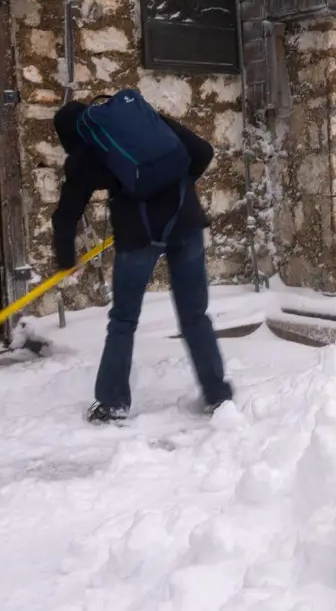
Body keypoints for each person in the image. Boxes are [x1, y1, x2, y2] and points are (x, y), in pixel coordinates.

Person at [51, 99, 233, 423]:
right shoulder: (146, 122)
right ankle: (217, 395)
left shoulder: (83, 156)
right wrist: (176, 185)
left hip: (138, 235)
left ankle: (113, 402)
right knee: (194, 315)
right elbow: (203, 152)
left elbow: (66, 215)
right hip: (185, 219)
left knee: (124, 319)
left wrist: (67, 259)